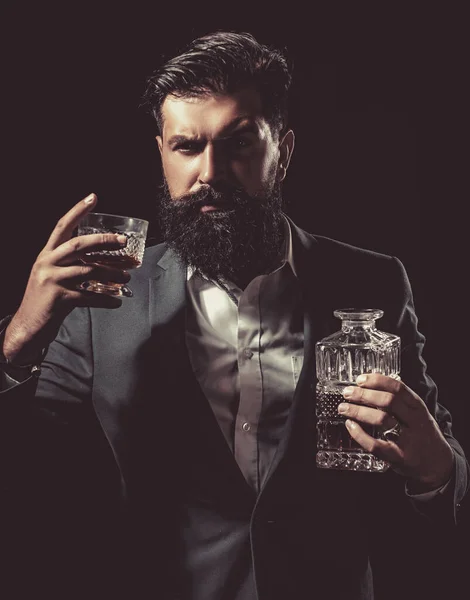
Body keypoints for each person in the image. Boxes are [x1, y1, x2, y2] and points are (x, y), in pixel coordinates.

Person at [0, 31, 468, 600]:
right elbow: (28, 475)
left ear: (285, 152)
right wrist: (19, 338)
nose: (210, 172)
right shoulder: (100, 296)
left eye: (239, 145)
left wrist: (437, 472)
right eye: (187, 147)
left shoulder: (372, 283)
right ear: (162, 153)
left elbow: (432, 473)